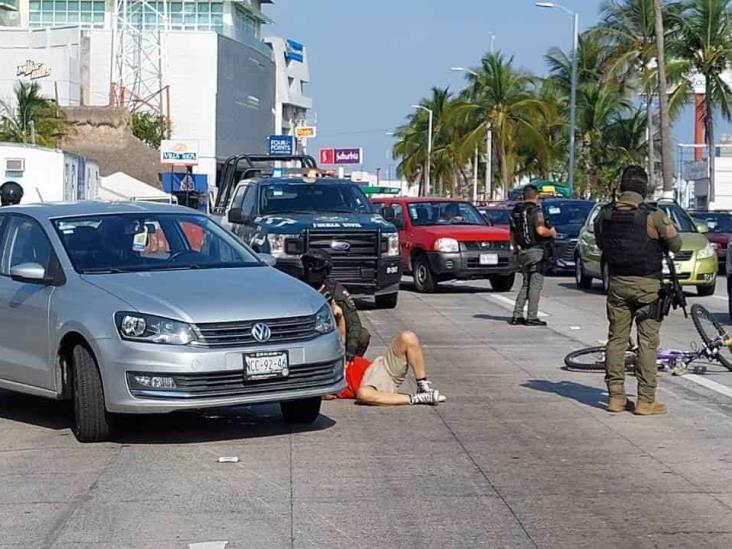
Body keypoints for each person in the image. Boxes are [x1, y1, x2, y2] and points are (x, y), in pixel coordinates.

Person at [300, 249, 446, 406]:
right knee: (364, 394)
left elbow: (345, 335)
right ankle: (417, 399)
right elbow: (324, 393)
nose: (310, 272)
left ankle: (423, 386)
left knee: (407, 337)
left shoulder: (335, 290)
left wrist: (340, 317)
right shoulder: (328, 382)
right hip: (373, 385)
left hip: (381, 365)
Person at [594, 165, 682, 416]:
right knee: (647, 343)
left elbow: (602, 243)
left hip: (618, 284)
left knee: (617, 339)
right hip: (648, 287)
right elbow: (676, 243)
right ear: (644, 188)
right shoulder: (653, 216)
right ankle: (645, 400)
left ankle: (616, 397)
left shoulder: (604, 214)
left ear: (621, 186)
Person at [509, 185, 557, 326]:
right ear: (536, 196)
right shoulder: (536, 211)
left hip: (522, 251)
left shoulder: (515, 212)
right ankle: (532, 316)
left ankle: (517, 315)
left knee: (526, 284)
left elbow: (511, 233)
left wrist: (516, 250)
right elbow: (541, 230)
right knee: (535, 284)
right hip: (536, 251)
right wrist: (552, 233)